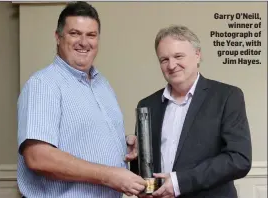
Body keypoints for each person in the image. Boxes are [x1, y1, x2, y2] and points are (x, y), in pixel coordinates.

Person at [17, 2, 146, 198]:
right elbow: (38, 157)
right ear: (58, 37)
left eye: (91, 35)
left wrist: (123, 144)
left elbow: (83, 138)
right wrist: (109, 176)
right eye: (75, 33)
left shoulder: (102, 84)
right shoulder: (43, 84)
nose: (84, 42)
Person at [130, 25, 252, 198]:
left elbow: (239, 159)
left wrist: (179, 182)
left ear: (197, 55)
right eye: (164, 59)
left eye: (178, 56)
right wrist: (137, 169)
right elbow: (143, 169)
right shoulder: (147, 105)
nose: (171, 65)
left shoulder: (227, 96)